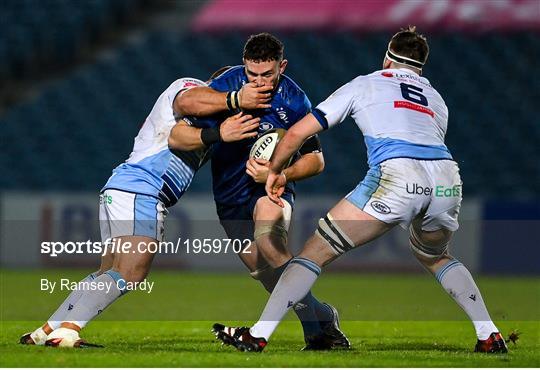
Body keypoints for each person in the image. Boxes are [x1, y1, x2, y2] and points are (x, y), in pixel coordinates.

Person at [213, 26, 508, 354]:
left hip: (396, 175)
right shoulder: (437, 99)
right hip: (447, 180)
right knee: (435, 255)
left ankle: (258, 335)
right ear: (419, 67)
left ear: (387, 59)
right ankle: (489, 334)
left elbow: (296, 135)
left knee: (314, 252)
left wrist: (275, 171)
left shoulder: (366, 83)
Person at [20, 71, 262, 347]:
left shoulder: (208, 124)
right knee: (131, 271)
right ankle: (68, 331)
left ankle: (46, 331)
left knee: (108, 271)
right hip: (141, 189)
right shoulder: (192, 87)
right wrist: (232, 100)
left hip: (125, 188)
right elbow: (187, 102)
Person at [169, 33, 349, 350]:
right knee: (266, 274)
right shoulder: (229, 83)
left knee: (270, 242)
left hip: (271, 190)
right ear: (244, 68)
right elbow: (181, 114)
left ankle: (310, 332)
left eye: (268, 74)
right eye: (253, 74)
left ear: (282, 66)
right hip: (228, 198)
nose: (260, 81)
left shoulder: (294, 101)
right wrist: (233, 103)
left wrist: (280, 173)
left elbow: (316, 159)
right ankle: (322, 317)